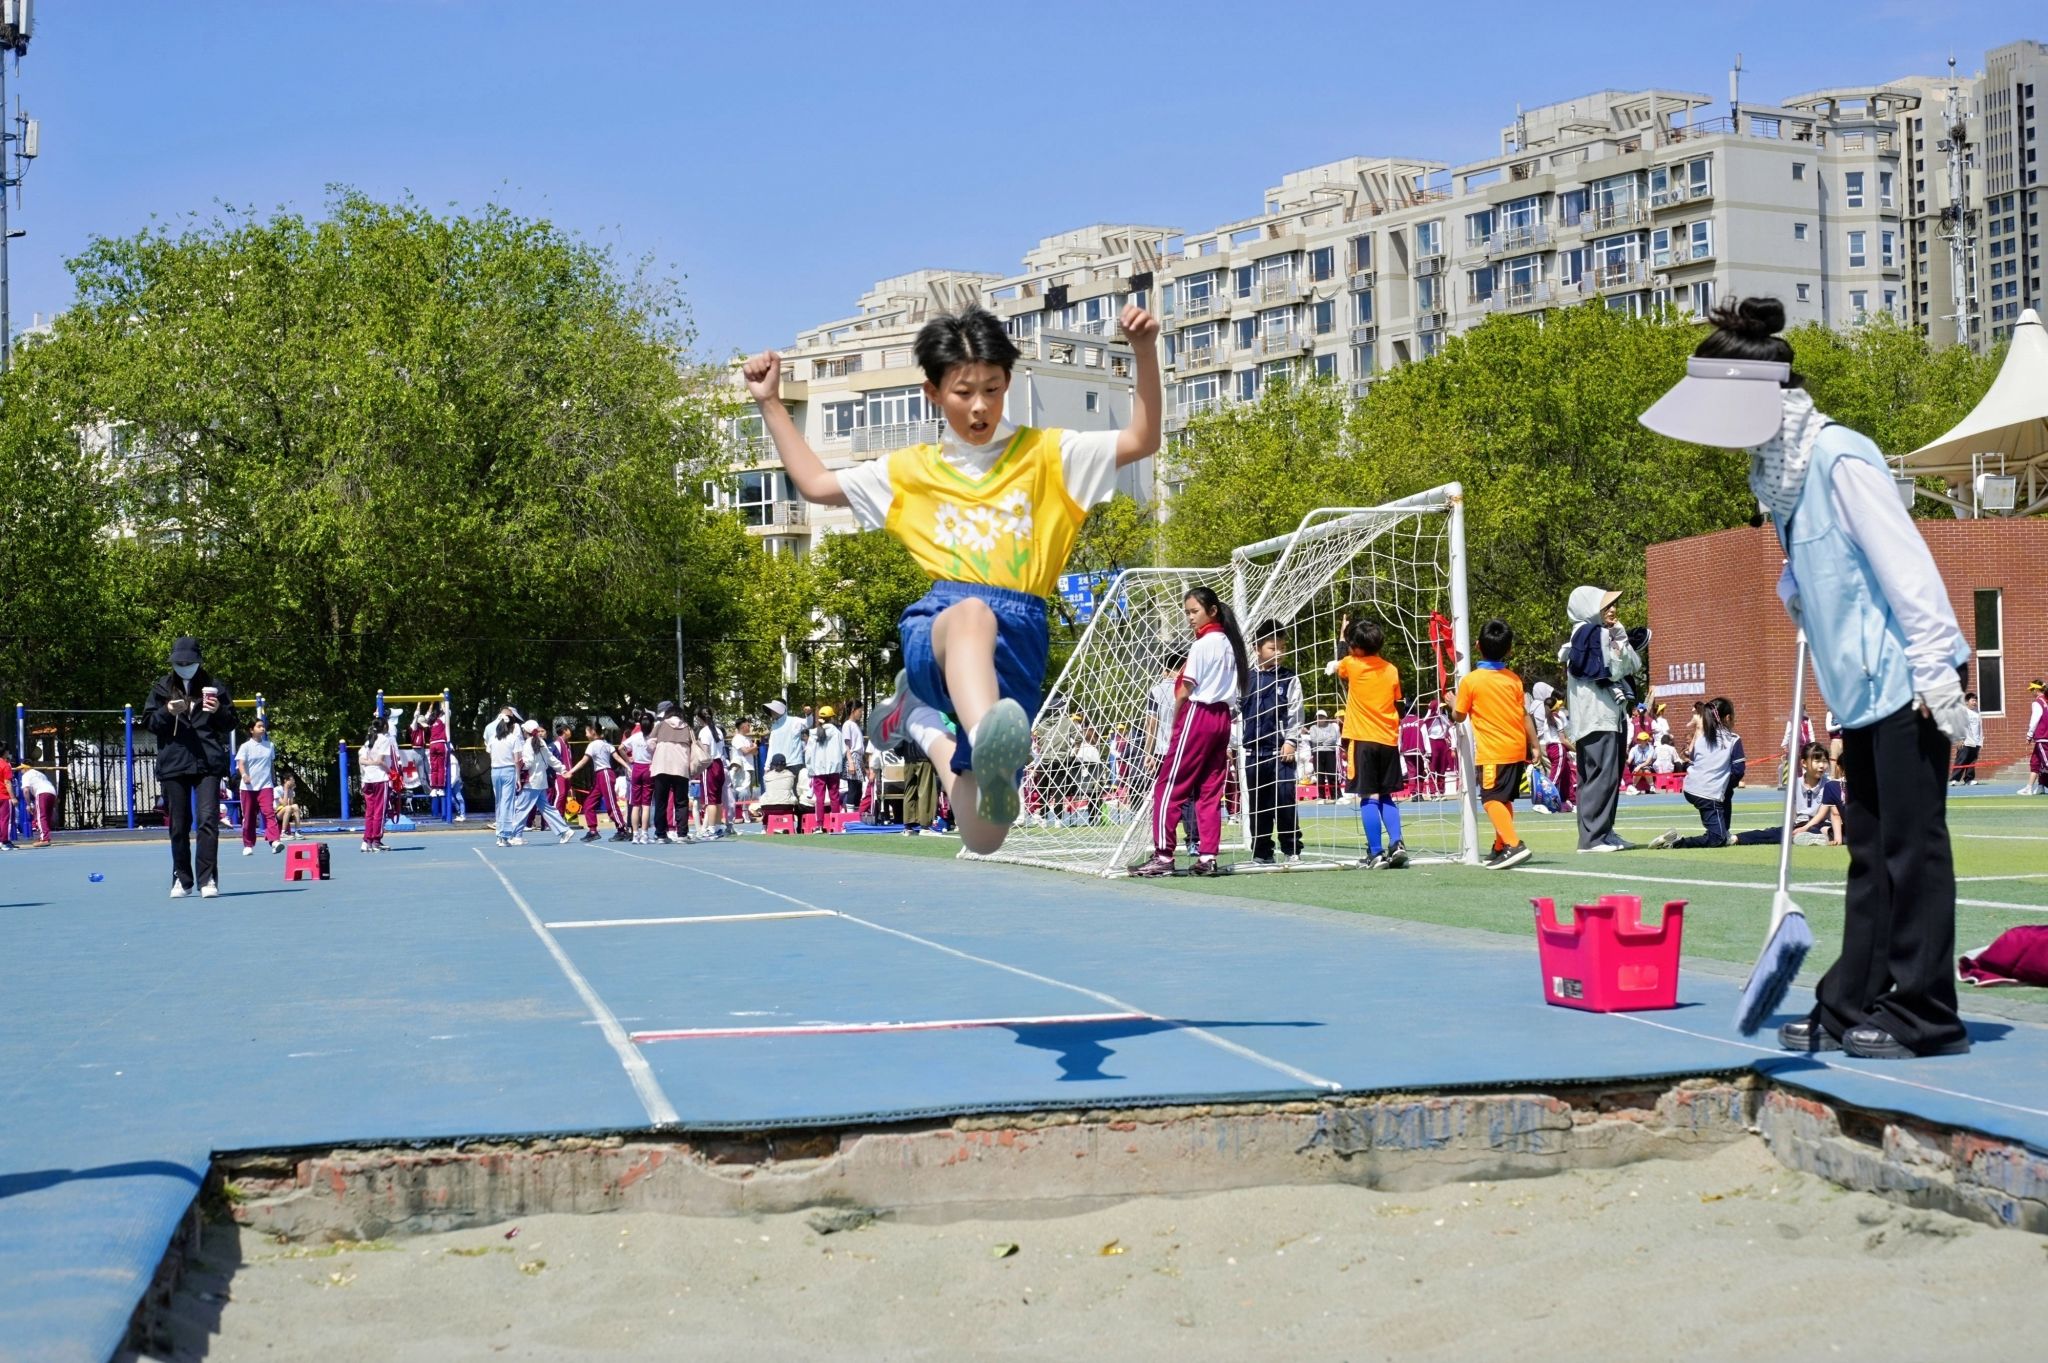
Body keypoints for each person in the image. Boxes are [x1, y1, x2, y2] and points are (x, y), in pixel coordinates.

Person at [1640, 295, 1974, 1060]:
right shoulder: (1783, 477)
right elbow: (1829, 567)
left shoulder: (1838, 455)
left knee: (1912, 847)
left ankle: (1926, 1012)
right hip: (1861, 688)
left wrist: (1936, 669)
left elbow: (1906, 566)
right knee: (1870, 848)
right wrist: (1797, 588)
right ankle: (1854, 997)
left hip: (1910, 679)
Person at [750, 303, 1161, 856]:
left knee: (985, 835)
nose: (980, 405)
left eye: (992, 389)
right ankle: (985, 733)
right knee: (973, 615)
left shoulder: (1052, 455)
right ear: (934, 393)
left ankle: (921, 723)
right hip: (943, 621)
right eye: (964, 392)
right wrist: (771, 402)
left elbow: (1143, 438)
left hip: (1022, 632)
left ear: (1008, 383)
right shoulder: (911, 470)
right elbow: (817, 484)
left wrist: (1143, 351)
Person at [1132, 586, 1249, 877]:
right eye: (1187, 612)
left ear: (1213, 611)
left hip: (1199, 714)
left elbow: (1185, 690)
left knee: (1169, 785)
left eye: (1194, 611)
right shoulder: (1229, 644)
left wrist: (1176, 722)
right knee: (1210, 790)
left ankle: (1163, 856)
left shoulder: (1202, 645)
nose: (1190, 618)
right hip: (1222, 719)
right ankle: (1207, 856)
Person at [144, 637, 237, 898]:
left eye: (189, 662)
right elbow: (149, 723)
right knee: (178, 824)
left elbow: (231, 722)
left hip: (207, 762)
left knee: (208, 820)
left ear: (198, 661)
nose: (184, 666)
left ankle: (207, 879)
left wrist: (218, 710)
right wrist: (167, 711)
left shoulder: (215, 686)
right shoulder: (162, 687)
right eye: (180, 662)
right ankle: (181, 878)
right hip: (174, 763)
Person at [1563, 586, 1646, 853]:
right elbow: (1618, 668)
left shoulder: (1593, 634)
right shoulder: (1590, 635)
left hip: (1606, 716)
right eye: (1605, 606)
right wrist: (1619, 639)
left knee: (1604, 777)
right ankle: (1593, 838)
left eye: (1612, 605)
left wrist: (1619, 636)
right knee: (1600, 776)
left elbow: (1632, 664)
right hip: (1598, 715)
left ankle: (1603, 832)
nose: (1612, 610)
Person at [1325, 613, 1409, 870]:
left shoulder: (1352, 664)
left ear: (1357, 648)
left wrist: (1341, 636)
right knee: (1386, 795)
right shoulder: (1391, 669)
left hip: (1362, 739)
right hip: (1388, 739)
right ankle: (1397, 843)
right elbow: (1398, 703)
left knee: (1368, 795)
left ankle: (1375, 852)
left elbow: (1339, 663)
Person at [1454, 618, 1538, 869]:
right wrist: (1535, 744)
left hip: (1494, 751)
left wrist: (1452, 703)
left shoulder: (1471, 680)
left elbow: (1459, 715)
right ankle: (1500, 846)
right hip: (1516, 748)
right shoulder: (1513, 679)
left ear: (1477, 645)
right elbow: (1524, 714)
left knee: (1490, 799)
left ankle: (1513, 844)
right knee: (1504, 799)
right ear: (1509, 650)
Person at [1242, 618, 1304, 867]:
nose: (1279, 653)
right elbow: (1235, 713)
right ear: (1257, 648)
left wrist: (1291, 741)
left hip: (1280, 752)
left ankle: (1291, 848)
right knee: (1259, 804)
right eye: (1273, 648)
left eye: (1282, 648)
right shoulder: (1245, 679)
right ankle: (1262, 851)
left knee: (1285, 800)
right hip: (1254, 753)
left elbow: (1296, 713)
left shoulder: (1289, 679)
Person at [1648, 700, 1747, 849]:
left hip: (1690, 787)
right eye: (1734, 716)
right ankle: (1676, 842)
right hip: (1708, 794)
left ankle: (1722, 829)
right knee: (1717, 839)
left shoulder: (1702, 738)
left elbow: (1694, 758)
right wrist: (1725, 783)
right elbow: (1738, 770)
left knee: (1725, 792)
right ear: (1727, 718)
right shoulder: (1733, 739)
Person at [1724, 743, 1846, 848]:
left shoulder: (1829, 784)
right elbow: (1792, 811)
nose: (1822, 766)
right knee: (1773, 832)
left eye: (1824, 761)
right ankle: (1736, 838)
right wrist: (1791, 827)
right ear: (1804, 763)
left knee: (1821, 830)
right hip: (1799, 824)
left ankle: (1813, 837)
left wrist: (1805, 828)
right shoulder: (1794, 784)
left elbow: (1823, 815)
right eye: (1817, 761)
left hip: (1820, 825)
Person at [504, 721, 578, 844]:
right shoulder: (541, 742)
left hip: (530, 782)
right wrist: (562, 769)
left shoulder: (528, 744)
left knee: (521, 809)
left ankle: (515, 836)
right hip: (540, 781)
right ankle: (564, 830)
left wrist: (517, 764)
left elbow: (528, 763)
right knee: (547, 809)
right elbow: (551, 758)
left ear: (525, 731)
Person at [564, 720, 628, 844]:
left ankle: (622, 830)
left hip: (605, 774)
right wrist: (628, 766)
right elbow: (617, 757)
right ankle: (593, 831)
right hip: (600, 776)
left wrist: (571, 771)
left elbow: (584, 760)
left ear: (593, 732)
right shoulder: (607, 744)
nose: (586, 735)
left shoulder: (594, 745)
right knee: (589, 804)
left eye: (587, 732)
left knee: (611, 804)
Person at [234, 716, 283, 856]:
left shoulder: (270, 746)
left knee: (269, 813)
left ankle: (274, 841)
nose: (262, 728)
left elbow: (271, 765)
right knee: (249, 817)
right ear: (251, 730)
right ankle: (248, 845)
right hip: (248, 788)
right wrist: (244, 775)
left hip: (265, 786)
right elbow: (241, 764)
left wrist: (273, 780)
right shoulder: (245, 747)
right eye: (259, 726)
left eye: (263, 726)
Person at [358, 715, 398, 852]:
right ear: (385, 726)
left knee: (370, 811)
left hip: (367, 778)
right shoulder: (384, 740)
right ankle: (376, 840)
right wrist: (391, 772)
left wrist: (370, 763)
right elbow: (380, 761)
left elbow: (362, 760)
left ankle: (366, 841)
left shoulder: (369, 740)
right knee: (379, 811)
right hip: (380, 778)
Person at [485, 708, 526, 843]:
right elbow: (517, 760)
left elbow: (490, 754)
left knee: (499, 802)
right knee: (507, 803)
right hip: (509, 770)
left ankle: (499, 834)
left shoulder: (493, 739)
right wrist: (518, 778)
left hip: (495, 771)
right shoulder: (513, 739)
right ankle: (505, 835)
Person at [804, 703, 846, 823]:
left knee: (819, 798)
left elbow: (808, 754)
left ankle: (819, 824)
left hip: (818, 770)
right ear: (831, 718)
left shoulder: (813, 734)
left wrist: (810, 769)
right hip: (834, 769)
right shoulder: (837, 733)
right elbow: (843, 751)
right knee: (834, 797)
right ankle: (836, 823)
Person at [697, 706, 732, 839]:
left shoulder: (704, 732)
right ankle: (717, 826)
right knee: (717, 799)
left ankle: (711, 828)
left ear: (700, 718)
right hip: (719, 764)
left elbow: (705, 752)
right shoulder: (718, 730)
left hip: (710, 765)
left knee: (710, 800)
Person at [620, 713, 655, 844]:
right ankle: (644, 834)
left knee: (635, 804)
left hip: (636, 768)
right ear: (652, 724)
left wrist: (628, 759)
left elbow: (621, 748)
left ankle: (635, 834)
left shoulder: (635, 737)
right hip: (648, 768)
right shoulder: (653, 738)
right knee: (646, 804)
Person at [1306, 708, 1342, 802]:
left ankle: (1336, 796)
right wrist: (1326, 740)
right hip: (1317, 752)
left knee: (1332, 774)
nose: (1320, 718)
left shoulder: (1331, 726)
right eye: (1318, 717)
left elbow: (1334, 738)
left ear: (1326, 717)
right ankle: (1321, 797)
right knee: (1320, 775)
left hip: (1330, 752)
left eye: (1322, 717)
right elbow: (1314, 739)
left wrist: (1322, 742)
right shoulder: (1313, 727)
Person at [1949, 692, 1983, 785]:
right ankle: (1954, 779)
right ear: (1967, 702)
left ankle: (1969, 779)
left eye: (1976, 701)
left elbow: (1980, 728)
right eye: (1973, 700)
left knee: (1972, 762)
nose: (1975, 702)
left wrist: (1980, 741)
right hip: (1965, 741)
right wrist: (1960, 739)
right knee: (1961, 760)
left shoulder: (1977, 712)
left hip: (1976, 742)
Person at [20, 764, 56, 846]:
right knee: (46, 817)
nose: (21, 771)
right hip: (52, 792)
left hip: (41, 793)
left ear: (25, 768)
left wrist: (28, 804)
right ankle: (44, 836)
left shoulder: (26, 775)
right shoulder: (40, 774)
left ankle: (44, 839)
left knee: (41, 816)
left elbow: (26, 790)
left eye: (21, 769)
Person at [759, 754, 802, 819]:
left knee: (763, 797)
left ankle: (765, 823)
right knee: (794, 799)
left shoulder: (767, 777)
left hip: (769, 807)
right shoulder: (790, 775)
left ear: (773, 765)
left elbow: (766, 789)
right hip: (786, 807)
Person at [2024, 680, 2048, 796]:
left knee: (2046, 763)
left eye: (2032, 690)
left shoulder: (2038, 702)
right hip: (2043, 738)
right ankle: (2034, 787)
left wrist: (2029, 735)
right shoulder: (2046, 701)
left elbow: (2034, 720)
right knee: (2036, 762)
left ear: (2036, 690)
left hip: (2043, 737)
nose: (2031, 692)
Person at [0, 744, 17, 849]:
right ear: (5, 752)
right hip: (4, 796)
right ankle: (4, 841)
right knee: (6, 820)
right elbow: (7, 782)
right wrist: (13, 797)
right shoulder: (5, 765)